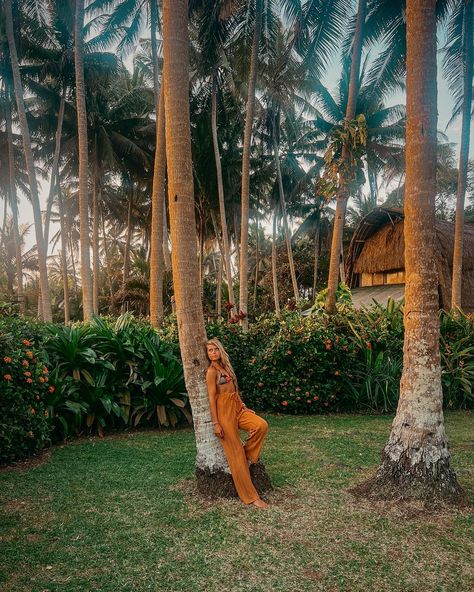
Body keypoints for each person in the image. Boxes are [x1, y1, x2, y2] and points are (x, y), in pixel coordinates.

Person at [205, 338, 270, 509]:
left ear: (220, 350)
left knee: (261, 425)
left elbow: (234, 390)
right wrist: (216, 423)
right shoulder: (211, 372)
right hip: (224, 414)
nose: (213, 353)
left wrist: (243, 406)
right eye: (209, 350)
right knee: (236, 456)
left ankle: (248, 453)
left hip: (237, 408)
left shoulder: (226, 367)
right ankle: (251, 497)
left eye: (215, 349)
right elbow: (212, 398)